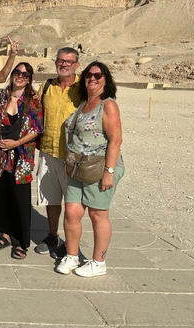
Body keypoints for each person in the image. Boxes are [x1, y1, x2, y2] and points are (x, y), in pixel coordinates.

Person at [55, 61, 124, 277]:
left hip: (99, 166)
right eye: (88, 75)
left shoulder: (108, 105)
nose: (92, 78)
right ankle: (72, 256)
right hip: (77, 166)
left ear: (106, 80)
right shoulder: (84, 103)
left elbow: (115, 140)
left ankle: (98, 262)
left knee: (97, 214)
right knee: (72, 212)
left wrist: (109, 173)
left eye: (98, 75)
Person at [0, 62, 43, 259]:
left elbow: (36, 129)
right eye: (17, 72)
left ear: (30, 79)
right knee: (1, 195)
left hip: (21, 156)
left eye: (25, 74)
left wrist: (16, 143)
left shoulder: (32, 101)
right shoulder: (0, 96)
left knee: (19, 199)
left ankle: (20, 241)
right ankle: (5, 234)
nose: (20, 76)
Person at [35, 47, 81, 257]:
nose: (64, 64)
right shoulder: (46, 86)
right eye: (61, 60)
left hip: (72, 155)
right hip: (48, 150)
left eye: (69, 62)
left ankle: (71, 245)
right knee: (51, 199)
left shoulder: (83, 88)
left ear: (76, 65)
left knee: (73, 204)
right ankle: (53, 236)